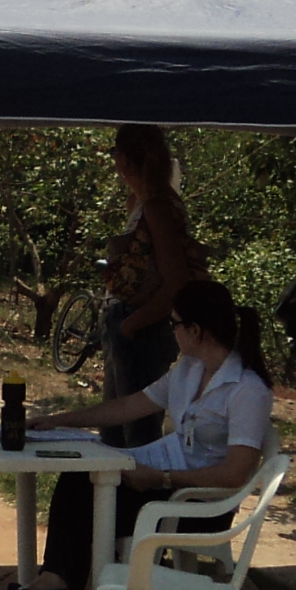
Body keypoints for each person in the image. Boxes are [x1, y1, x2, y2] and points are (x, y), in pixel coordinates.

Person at [0, 279, 276, 590]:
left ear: (196, 331)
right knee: (80, 476)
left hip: (196, 504)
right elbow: (128, 407)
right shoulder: (189, 371)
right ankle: (55, 589)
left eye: (175, 323)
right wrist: (58, 420)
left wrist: (161, 480)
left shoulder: (247, 389)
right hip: (163, 481)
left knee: (93, 503)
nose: (171, 330)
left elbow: (235, 473)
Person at [100, 125, 204, 448]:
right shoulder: (141, 202)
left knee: (137, 436)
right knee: (113, 432)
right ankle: (114, 498)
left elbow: (176, 282)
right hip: (129, 325)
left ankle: (139, 498)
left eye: (116, 154)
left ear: (127, 161)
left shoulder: (159, 207)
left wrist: (132, 325)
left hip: (143, 331)